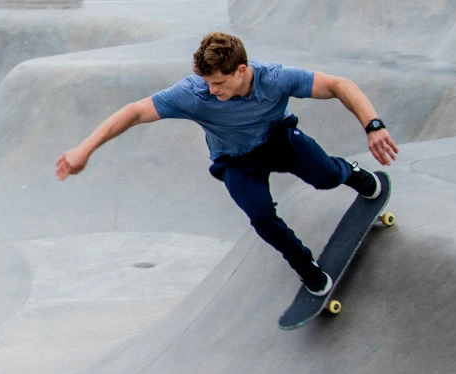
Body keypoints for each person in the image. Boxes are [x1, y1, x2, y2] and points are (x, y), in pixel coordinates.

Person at [55, 31, 399, 295]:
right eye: (208, 83)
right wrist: (84, 149)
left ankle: (349, 173)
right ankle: (305, 266)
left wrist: (373, 125)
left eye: (219, 83)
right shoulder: (193, 92)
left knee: (325, 176)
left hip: (279, 139)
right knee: (262, 217)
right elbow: (133, 112)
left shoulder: (275, 78)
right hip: (235, 163)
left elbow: (340, 84)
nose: (212, 90)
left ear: (241, 70)